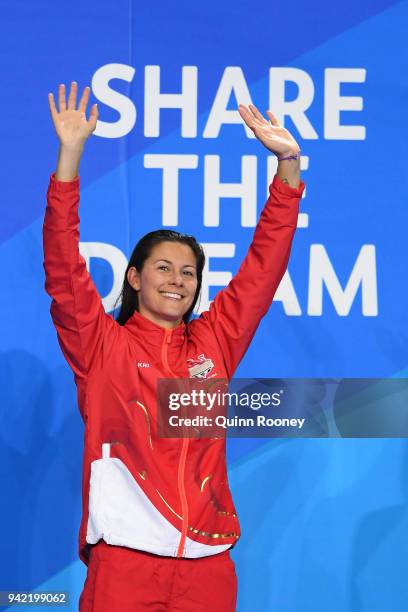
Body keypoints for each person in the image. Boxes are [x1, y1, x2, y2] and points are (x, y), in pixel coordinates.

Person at [44, 81, 304, 611]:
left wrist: (289, 168)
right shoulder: (101, 347)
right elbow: (64, 269)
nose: (177, 280)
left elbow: (263, 270)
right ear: (134, 277)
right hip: (126, 561)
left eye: (189, 273)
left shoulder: (215, 341)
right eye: (163, 267)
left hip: (208, 562)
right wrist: (69, 160)